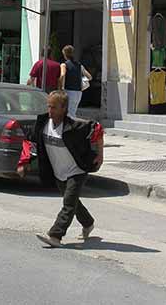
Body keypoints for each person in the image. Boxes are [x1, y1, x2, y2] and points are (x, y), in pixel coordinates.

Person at [17, 90, 104, 248]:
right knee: (73, 202)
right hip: (58, 172)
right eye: (49, 106)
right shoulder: (43, 123)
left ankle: (55, 235)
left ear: (64, 108)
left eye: (54, 107)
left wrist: (100, 155)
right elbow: (31, 142)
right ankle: (88, 223)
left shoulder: (75, 126)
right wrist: (24, 162)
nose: (50, 111)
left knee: (68, 203)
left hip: (77, 170)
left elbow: (97, 129)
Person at [58, 45, 92, 116]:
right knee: (73, 112)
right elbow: (90, 77)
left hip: (69, 91)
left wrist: (60, 87)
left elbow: (62, 75)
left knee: (68, 113)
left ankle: (70, 126)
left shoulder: (64, 65)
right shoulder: (80, 65)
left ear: (64, 54)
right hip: (78, 92)